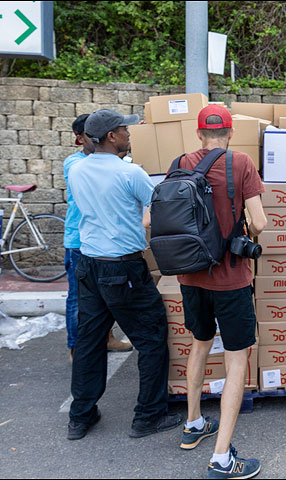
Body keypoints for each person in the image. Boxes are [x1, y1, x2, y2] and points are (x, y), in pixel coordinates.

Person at [66, 109, 182, 441]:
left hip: (88, 265)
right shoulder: (130, 173)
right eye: (124, 130)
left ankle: (80, 416)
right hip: (124, 266)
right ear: (112, 137)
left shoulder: (76, 170)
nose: (129, 134)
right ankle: (148, 416)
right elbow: (159, 207)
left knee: (89, 342)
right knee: (151, 338)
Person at [168, 105, 266, 480]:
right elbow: (259, 222)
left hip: (191, 277)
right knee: (237, 358)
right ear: (231, 133)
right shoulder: (240, 163)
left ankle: (193, 423)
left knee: (200, 343)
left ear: (198, 134)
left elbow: (152, 217)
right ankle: (222, 457)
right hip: (230, 280)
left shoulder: (180, 162)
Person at [63, 115, 133, 363]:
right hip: (79, 241)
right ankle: (76, 348)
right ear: (80, 138)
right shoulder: (75, 163)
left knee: (103, 298)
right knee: (78, 299)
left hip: (102, 241)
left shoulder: (109, 160)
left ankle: (107, 337)